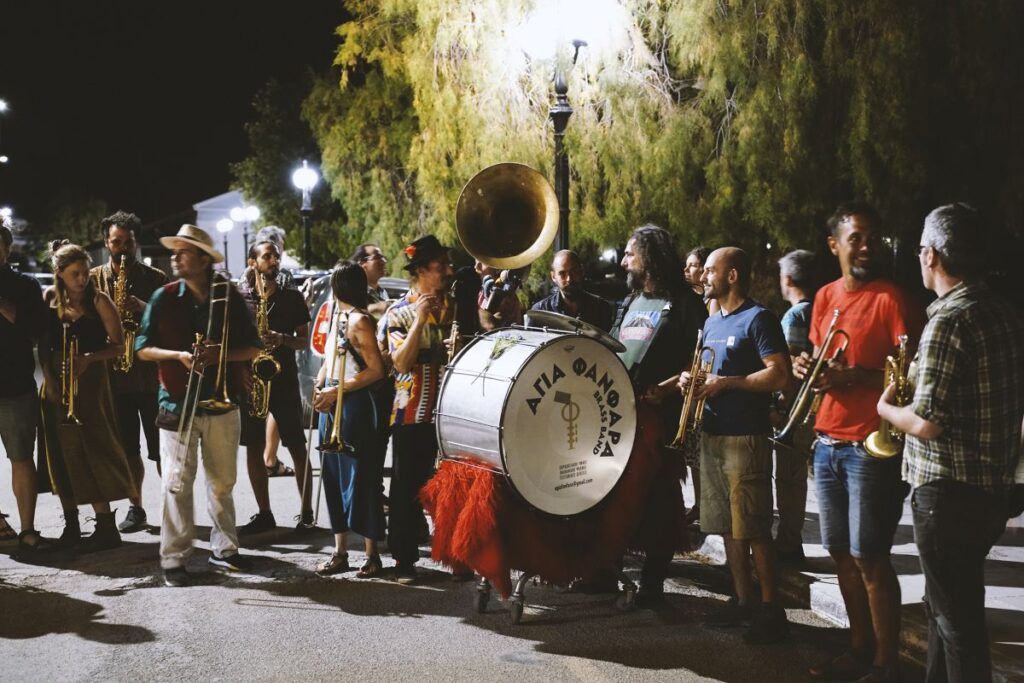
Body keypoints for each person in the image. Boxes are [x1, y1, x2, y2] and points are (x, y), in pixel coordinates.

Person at [878, 204, 1024, 683]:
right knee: (947, 610)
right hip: (989, 492)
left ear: (932, 255)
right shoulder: (1002, 312)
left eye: (922, 246)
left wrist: (884, 409)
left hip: (946, 494)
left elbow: (925, 422)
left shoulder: (947, 322)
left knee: (956, 622)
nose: (919, 255)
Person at [797, 202, 921, 683]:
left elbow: (910, 374)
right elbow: (819, 353)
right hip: (827, 441)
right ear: (835, 246)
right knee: (841, 555)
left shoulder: (892, 298)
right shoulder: (825, 296)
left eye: (873, 237)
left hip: (870, 445)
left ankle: (886, 664)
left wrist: (856, 378)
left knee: (870, 555)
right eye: (857, 238)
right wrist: (810, 367)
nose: (867, 246)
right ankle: (857, 649)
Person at [135, 225, 261, 587]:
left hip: (222, 403)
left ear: (204, 259)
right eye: (174, 250)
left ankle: (225, 549)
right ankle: (174, 559)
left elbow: (252, 346)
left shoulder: (229, 296)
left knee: (222, 483)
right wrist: (178, 355)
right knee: (176, 483)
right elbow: (141, 348)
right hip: (176, 401)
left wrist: (221, 354)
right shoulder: (163, 297)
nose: (175, 256)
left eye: (184, 251)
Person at [680, 246, 792, 643]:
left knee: (755, 527)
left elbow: (779, 375)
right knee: (728, 527)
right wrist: (690, 381)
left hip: (746, 437)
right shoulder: (712, 322)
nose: (702, 276)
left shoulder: (758, 319)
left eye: (710, 270)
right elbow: (707, 371)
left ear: (731, 276)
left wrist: (730, 384)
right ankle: (742, 600)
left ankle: (770, 607)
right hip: (712, 435)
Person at [611, 224, 706, 605]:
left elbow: (696, 359)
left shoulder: (684, 303)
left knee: (660, 497)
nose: (623, 262)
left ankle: (653, 579)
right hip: (622, 412)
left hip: (660, 416)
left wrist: (666, 388)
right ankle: (608, 568)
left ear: (649, 258)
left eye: (630, 255)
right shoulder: (630, 300)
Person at [38, 241, 138, 552]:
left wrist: (88, 360)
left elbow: (119, 345)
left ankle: (106, 525)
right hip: (58, 380)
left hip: (92, 382)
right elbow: (43, 346)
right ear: (60, 274)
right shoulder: (50, 299)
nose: (82, 279)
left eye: (84, 272)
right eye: (74, 274)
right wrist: (51, 380)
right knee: (60, 451)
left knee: (93, 447)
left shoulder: (100, 300)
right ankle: (71, 524)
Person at [90, 211, 168, 534]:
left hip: (150, 378)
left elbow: (173, 325)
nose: (122, 248)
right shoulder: (94, 279)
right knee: (127, 449)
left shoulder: (156, 278)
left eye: (128, 242)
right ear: (107, 243)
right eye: (116, 242)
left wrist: (145, 308)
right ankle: (137, 508)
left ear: (137, 242)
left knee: (162, 449)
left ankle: (174, 509)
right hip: (113, 380)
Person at [384, 235, 455, 584]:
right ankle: (404, 560)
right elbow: (400, 363)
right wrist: (419, 320)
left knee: (453, 484)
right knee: (406, 487)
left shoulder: (456, 307)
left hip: (451, 411)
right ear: (421, 271)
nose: (447, 272)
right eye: (441, 266)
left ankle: (458, 555)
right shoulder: (398, 311)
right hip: (411, 412)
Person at [312, 263, 387, 577]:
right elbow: (329, 361)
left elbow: (375, 370)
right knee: (332, 476)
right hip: (332, 402)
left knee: (362, 478)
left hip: (354, 404)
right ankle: (340, 551)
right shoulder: (335, 317)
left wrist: (335, 390)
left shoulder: (360, 320)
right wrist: (319, 388)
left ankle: (372, 555)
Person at [237, 240, 314, 535]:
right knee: (254, 448)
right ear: (252, 262)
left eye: (276, 256)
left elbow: (303, 340)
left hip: (284, 381)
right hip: (252, 382)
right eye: (267, 256)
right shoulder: (242, 299)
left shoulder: (292, 297)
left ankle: (306, 514)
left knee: (297, 446)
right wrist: (242, 370)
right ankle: (264, 513)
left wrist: (282, 338)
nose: (274, 260)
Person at [0, 220, 47, 551]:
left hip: (15, 385)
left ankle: (28, 529)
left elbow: (35, 330)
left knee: (21, 457)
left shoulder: (26, 285)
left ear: (6, 249)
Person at [773, 249, 817, 564]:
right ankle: (791, 540)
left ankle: (789, 545)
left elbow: (789, 364)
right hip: (817, 405)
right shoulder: (821, 308)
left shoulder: (795, 315)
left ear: (787, 279)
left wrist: (781, 408)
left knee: (789, 480)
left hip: (796, 409)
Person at [529, 249, 615, 331]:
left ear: (582, 271)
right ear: (553, 276)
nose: (569, 279)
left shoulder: (601, 308)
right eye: (562, 274)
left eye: (573, 271)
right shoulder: (541, 311)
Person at [475, 260, 524, 331]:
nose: (476, 268)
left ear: (498, 268)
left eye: (481, 263)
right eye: (475, 263)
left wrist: (486, 302)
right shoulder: (481, 293)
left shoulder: (506, 295)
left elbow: (491, 327)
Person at [351, 243, 392, 320]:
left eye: (383, 257)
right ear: (362, 263)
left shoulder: (383, 293)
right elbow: (348, 314)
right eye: (377, 257)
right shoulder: (352, 291)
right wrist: (375, 308)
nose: (383, 261)